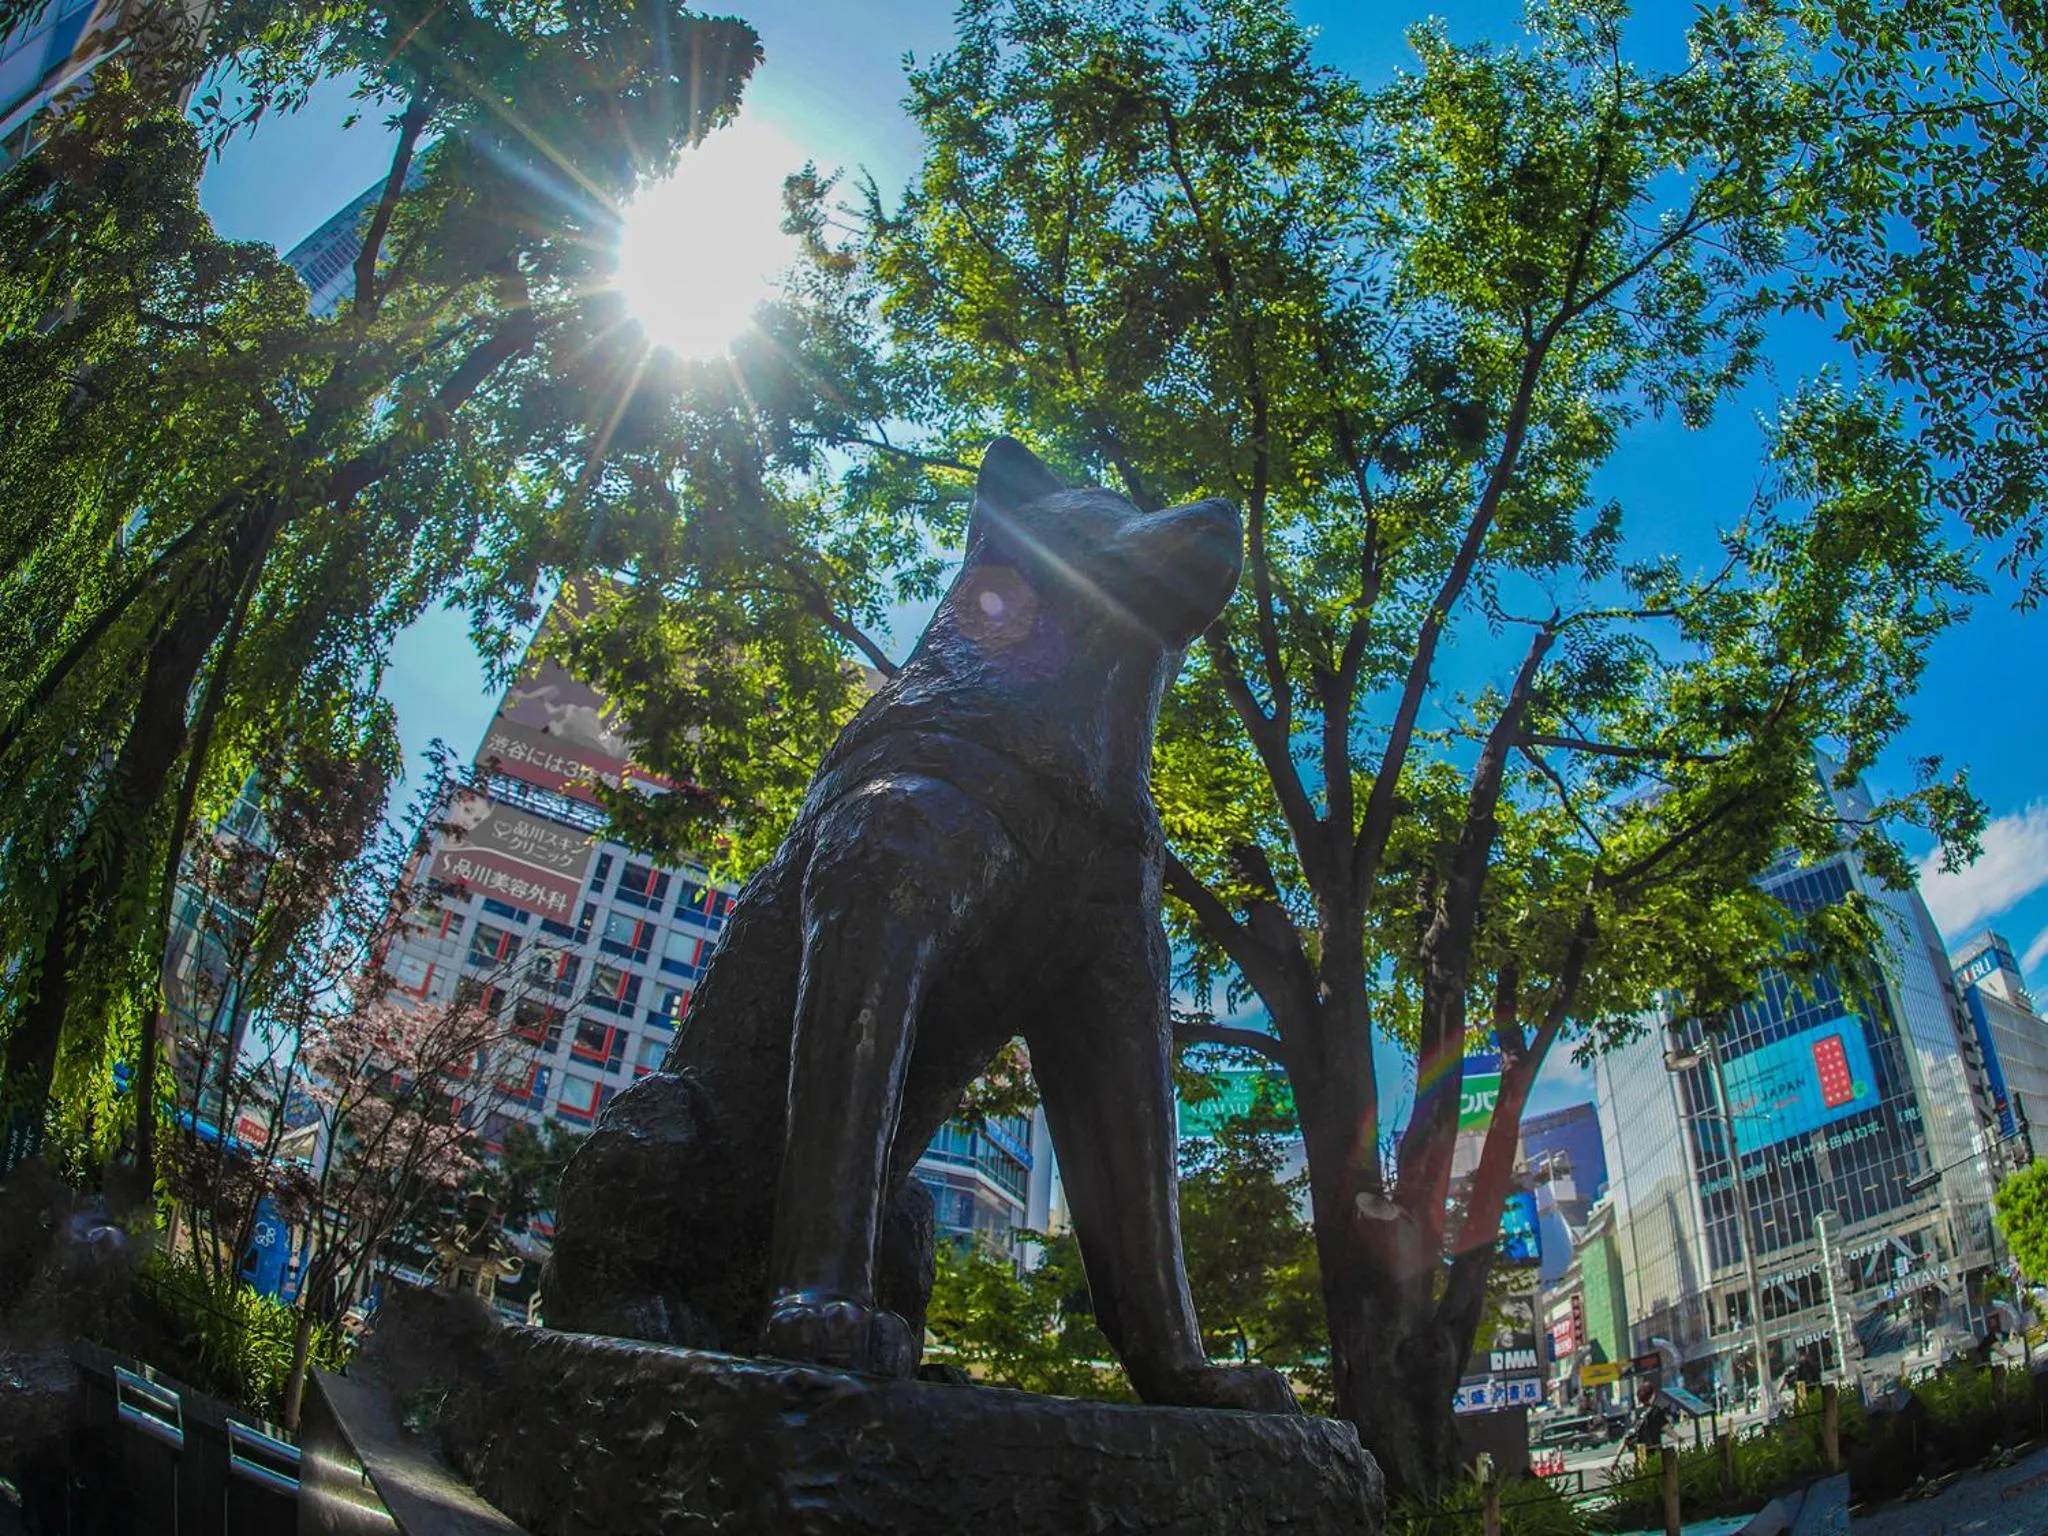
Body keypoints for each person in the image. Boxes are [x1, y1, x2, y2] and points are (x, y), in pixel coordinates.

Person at [1611, 1383, 1672, 1475]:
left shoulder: (1634, 1414)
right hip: (1654, 1449)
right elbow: (1667, 1429)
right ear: (1652, 1396)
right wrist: (1679, 1439)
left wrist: (1616, 1459)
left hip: (1640, 1450)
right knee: (1657, 1474)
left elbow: (1627, 1437)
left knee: (1643, 1475)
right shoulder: (1656, 1411)